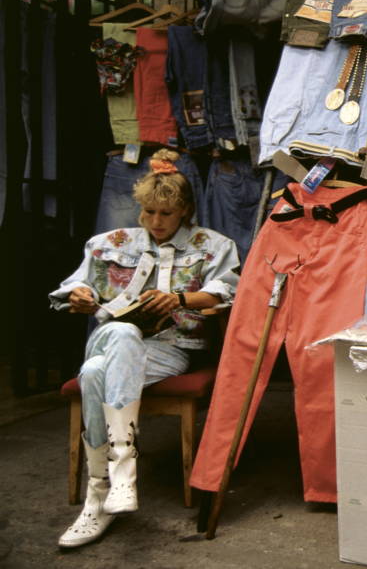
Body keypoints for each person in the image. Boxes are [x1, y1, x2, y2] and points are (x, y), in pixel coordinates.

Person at [49, 149, 241, 548]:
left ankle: (97, 497)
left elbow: (231, 291)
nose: (156, 222)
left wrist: (181, 300)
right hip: (111, 337)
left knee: (93, 373)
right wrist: (81, 295)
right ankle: (123, 475)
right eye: (149, 212)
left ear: (185, 210)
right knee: (121, 334)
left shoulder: (213, 245)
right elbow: (69, 288)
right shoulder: (110, 242)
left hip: (172, 349)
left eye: (166, 214)